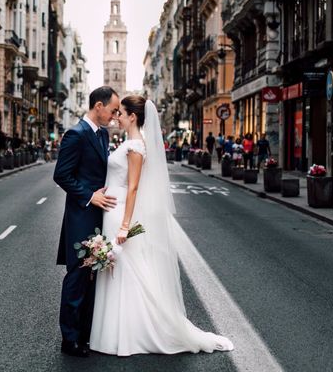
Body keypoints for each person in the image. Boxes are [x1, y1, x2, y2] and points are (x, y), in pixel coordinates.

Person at [90, 96, 233, 356]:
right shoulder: (129, 143)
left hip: (120, 212)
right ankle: (115, 332)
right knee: (119, 270)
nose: (117, 116)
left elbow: (133, 187)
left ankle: (132, 333)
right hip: (112, 208)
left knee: (126, 270)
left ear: (133, 116)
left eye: (121, 113)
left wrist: (125, 225)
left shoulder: (135, 146)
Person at [53, 86, 120, 358]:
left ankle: (84, 334)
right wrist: (89, 196)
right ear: (98, 106)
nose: (115, 116)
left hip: (98, 218)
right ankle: (69, 340)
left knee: (92, 276)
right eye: (113, 110)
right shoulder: (76, 134)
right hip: (81, 216)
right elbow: (62, 175)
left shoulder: (102, 134)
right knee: (77, 276)